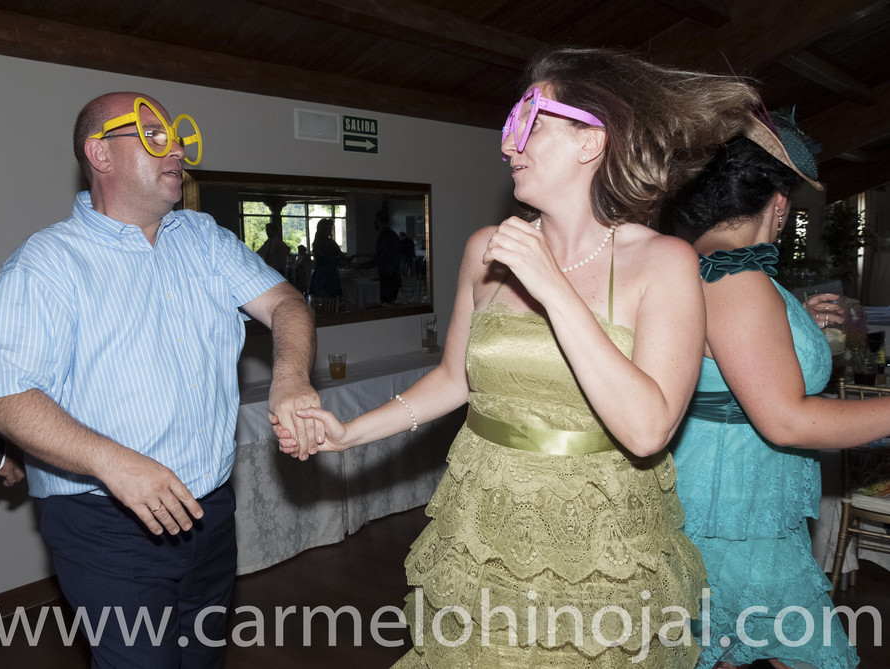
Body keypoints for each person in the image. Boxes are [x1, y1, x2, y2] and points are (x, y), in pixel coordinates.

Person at [288, 47, 761, 666]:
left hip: (597, 545)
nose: (509, 144)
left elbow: (648, 430)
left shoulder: (664, 263)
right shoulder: (489, 248)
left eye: (529, 123)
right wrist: (349, 433)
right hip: (484, 528)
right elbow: (455, 379)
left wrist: (554, 289)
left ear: (591, 141)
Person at [0, 91, 321, 668]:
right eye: (152, 135)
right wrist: (113, 461)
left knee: (202, 660)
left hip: (211, 510)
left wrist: (290, 376)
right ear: (100, 153)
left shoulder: (203, 239)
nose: (176, 150)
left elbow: (288, 304)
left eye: (177, 136)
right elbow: (4, 396)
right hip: (105, 523)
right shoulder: (44, 265)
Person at [666, 113, 868, 668]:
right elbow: (788, 421)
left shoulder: (709, 267)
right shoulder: (738, 280)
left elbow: (724, 349)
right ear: (780, 202)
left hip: (724, 496)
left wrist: (792, 316)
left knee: (720, 648)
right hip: (737, 508)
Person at [309, 217, 344, 299]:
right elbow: (337, 256)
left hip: (323, 274)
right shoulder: (329, 243)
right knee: (330, 297)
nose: (331, 230)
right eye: (329, 228)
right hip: (327, 274)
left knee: (323, 298)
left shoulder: (319, 243)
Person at [374, 210, 403, 303]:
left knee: (386, 305)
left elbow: (379, 258)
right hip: (395, 276)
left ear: (378, 220)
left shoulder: (383, 236)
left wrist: (360, 266)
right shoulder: (393, 235)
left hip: (388, 278)